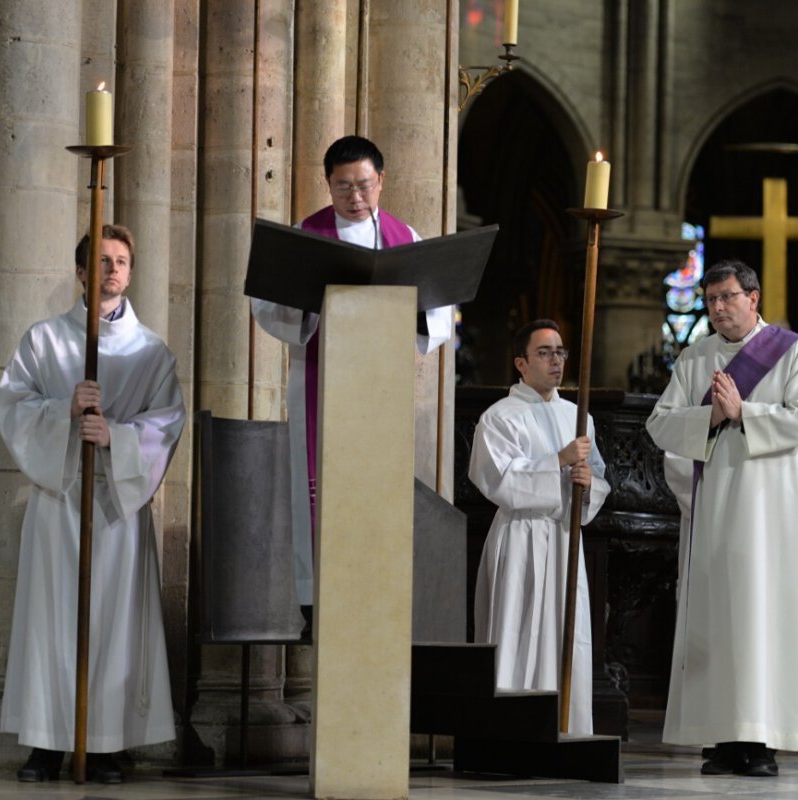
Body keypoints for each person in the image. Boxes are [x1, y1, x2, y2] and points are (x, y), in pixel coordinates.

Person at [0, 225, 186, 783]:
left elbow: (167, 421)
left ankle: (104, 745)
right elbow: (13, 405)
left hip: (116, 508)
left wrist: (116, 437)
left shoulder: (151, 351)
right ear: (81, 272)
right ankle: (46, 743)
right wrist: (64, 411)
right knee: (51, 619)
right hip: (60, 501)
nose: (112, 270)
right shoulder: (45, 341)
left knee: (113, 621)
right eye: (101, 261)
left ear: (131, 272)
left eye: (122, 261)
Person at [646, 259, 798, 777]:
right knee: (719, 615)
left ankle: (763, 741)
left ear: (753, 298)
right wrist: (708, 414)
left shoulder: (792, 351)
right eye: (711, 300)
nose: (719, 308)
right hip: (717, 508)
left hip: (773, 510)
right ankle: (722, 737)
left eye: (728, 297)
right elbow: (659, 423)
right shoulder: (696, 356)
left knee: (763, 616)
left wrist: (745, 414)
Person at [251, 135, 452, 619]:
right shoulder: (304, 236)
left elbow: (439, 314)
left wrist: (414, 313)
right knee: (321, 491)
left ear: (381, 180)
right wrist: (312, 305)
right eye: (344, 187)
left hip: (382, 390)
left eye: (364, 185)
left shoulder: (409, 239)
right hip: (321, 380)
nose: (355, 198)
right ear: (328, 184)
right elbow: (268, 303)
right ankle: (316, 603)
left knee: (376, 496)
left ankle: (377, 592)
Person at [469, 319, 610, 736]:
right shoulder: (499, 417)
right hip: (521, 536)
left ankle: (564, 729)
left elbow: (597, 476)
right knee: (518, 627)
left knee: (564, 637)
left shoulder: (576, 416)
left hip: (565, 537)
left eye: (561, 352)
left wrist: (588, 483)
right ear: (521, 363)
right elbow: (496, 480)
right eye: (545, 353)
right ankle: (509, 733)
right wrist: (558, 462)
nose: (556, 361)